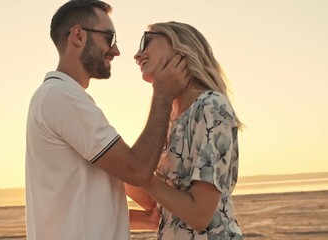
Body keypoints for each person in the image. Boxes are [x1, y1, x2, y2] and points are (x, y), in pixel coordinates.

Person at [25, 1, 191, 239]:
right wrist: (163, 95)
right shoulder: (61, 96)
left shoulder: (63, 98)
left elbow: (123, 183)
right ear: (78, 36)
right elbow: (137, 170)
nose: (116, 51)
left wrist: (146, 216)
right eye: (109, 38)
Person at [127, 21, 244, 240]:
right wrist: (109, 161)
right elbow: (154, 203)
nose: (137, 54)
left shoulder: (211, 106)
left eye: (146, 40)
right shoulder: (170, 116)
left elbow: (200, 215)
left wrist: (141, 174)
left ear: (180, 46)